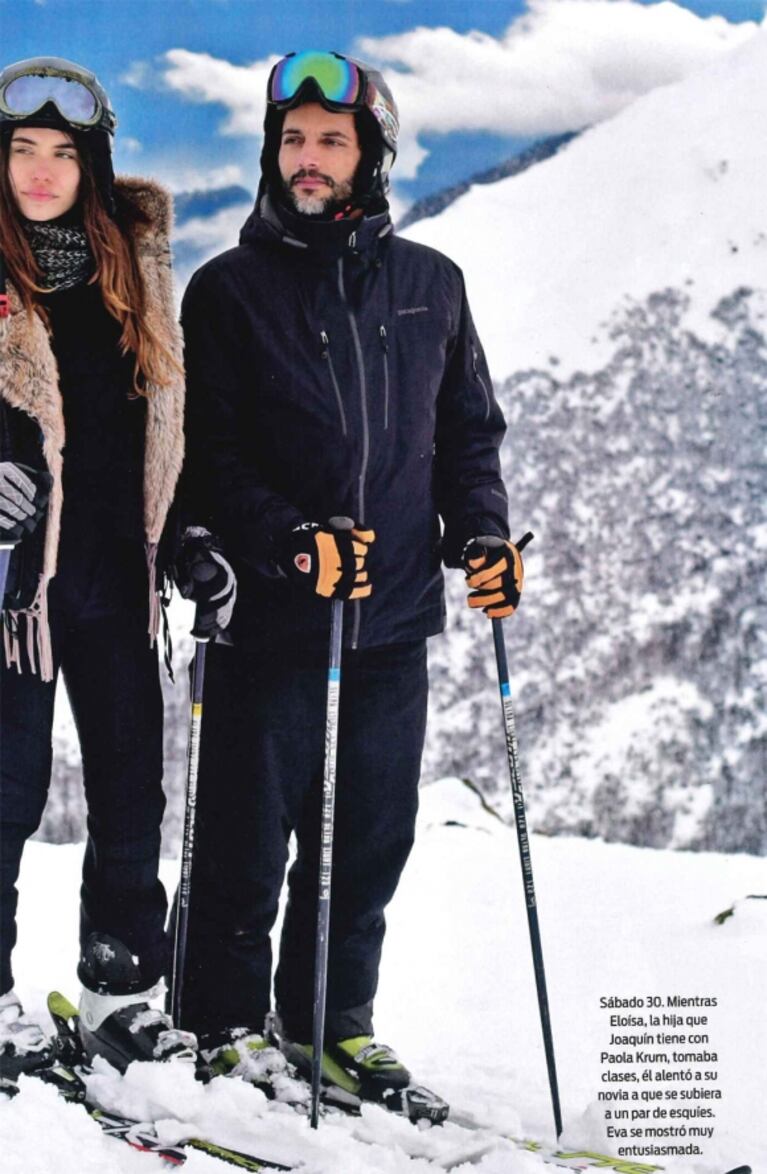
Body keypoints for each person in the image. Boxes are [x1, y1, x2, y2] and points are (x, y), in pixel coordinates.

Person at [179, 50, 524, 1103]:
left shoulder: (431, 285)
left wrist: (482, 537)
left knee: (368, 841)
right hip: (274, 619)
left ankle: (329, 1024)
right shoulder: (228, 289)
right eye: (292, 140)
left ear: (370, 154)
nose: (307, 159)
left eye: (331, 140)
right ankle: (220, 1025)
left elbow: (466, 437)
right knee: (245, 838)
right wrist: (291, 537)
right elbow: (209, 456)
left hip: (394, 621)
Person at [0, 56, 233, 1081]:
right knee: (3, 793)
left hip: (115, 576)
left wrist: (185, 538)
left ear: (89, 163)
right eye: (20, 148)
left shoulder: (128, 271)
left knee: (131, 791)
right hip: (13, 591)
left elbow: (158, 424)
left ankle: (120, 990)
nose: (41, 170)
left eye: (62, 151)